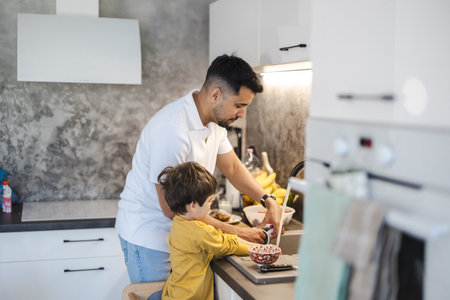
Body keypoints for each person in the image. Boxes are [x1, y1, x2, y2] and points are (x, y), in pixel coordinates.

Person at [115, 54, 282, 283]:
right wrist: (237, 232)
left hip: (184, 234)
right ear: (216, 94)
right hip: (151, 237)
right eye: (239, 105)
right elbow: (172, 208)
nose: (242, 114)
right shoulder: (172, 130)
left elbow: (232, 167)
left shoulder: (213, 123)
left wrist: (268, 200)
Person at [148, 162, 255, 300]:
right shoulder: (197, 231)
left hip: (176, 293)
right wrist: (258, 249)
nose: (211, 204)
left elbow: (221, 238)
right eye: (209, 201)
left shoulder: (180, 223)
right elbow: (228, 245)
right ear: (193, 206)